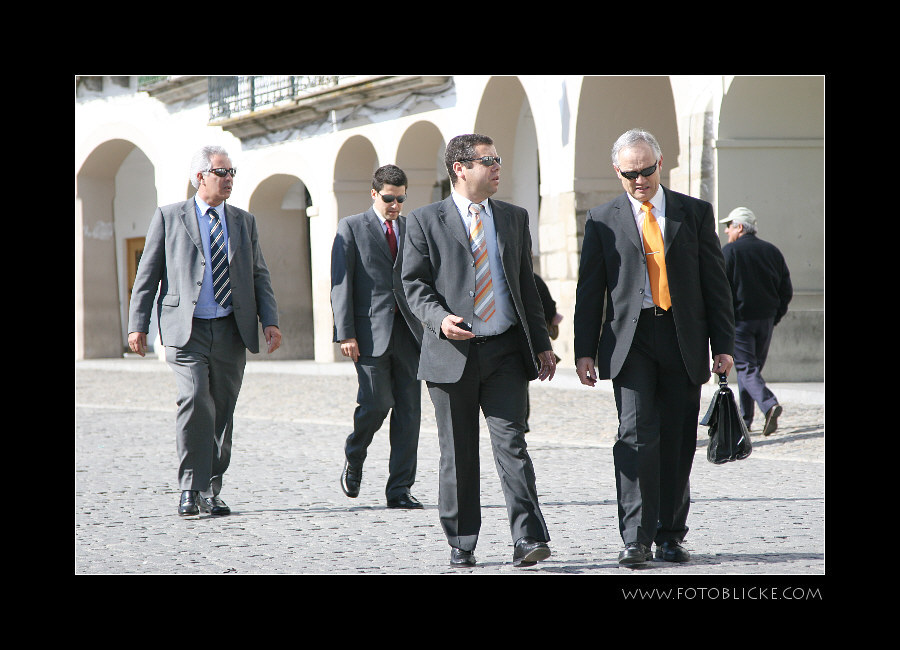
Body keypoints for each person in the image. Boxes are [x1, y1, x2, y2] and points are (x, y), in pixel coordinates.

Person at [573, 128, 735, 566]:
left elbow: (714, 286)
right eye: (630, 173)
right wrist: (584, 351)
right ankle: (636, 539)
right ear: (617, 172)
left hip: (682, 337)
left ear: (659, 164)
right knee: (635, 435)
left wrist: (723, 345)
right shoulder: (602, 218)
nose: (639, 180)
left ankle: (670, 534)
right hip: (631, 340)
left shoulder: (694, 213)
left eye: (646, 170)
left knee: (678, 439)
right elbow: (590, 291)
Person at [402, 133, 556, 569]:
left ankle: (528, 538)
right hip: (452, 355)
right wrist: (439, 318)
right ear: (460, 168)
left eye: (498, 159)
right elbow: (412, 285)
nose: (497, 167)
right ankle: (462, 538)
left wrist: (542, 342)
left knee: (513, 445)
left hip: (506, 350)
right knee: (458, 451)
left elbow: (525, 283)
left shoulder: (513, 217)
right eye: (489, 161)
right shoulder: (424, 220)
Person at [128, 145, 282, 517]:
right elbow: (147, 276)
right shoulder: (169, 217)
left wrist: (270, 320)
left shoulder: (244, 221)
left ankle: (212, 488)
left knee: (222, 413)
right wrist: (138, 325)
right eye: (221, 172)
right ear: (201, 177)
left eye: (232, 172)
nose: (229, 179)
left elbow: (259, 274)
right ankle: (189, 488)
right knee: (196, 399)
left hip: (231, 329)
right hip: (187, 330)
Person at [330, 164, 425, 509]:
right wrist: (345, 333)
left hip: (410, 334)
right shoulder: (352, 227)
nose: (395, 205)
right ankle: (355, 453)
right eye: (389, 198)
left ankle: (399, 489)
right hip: (369, 334)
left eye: (400, 199)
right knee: (377, 403)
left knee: (409, 412)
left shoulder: (412, 228)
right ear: (374, 194)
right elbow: (341, 284)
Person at [720, 207, 792, 436]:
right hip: (765, 321)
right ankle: (744, 418)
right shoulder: (772, 251)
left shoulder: (730, 252)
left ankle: (768, 404)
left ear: (739, 227)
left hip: (740, 322)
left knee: (746, 368)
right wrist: (775, 316)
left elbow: (721, 291)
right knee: (750, 370)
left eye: (729, 226)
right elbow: (786, 289)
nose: (726, 231)